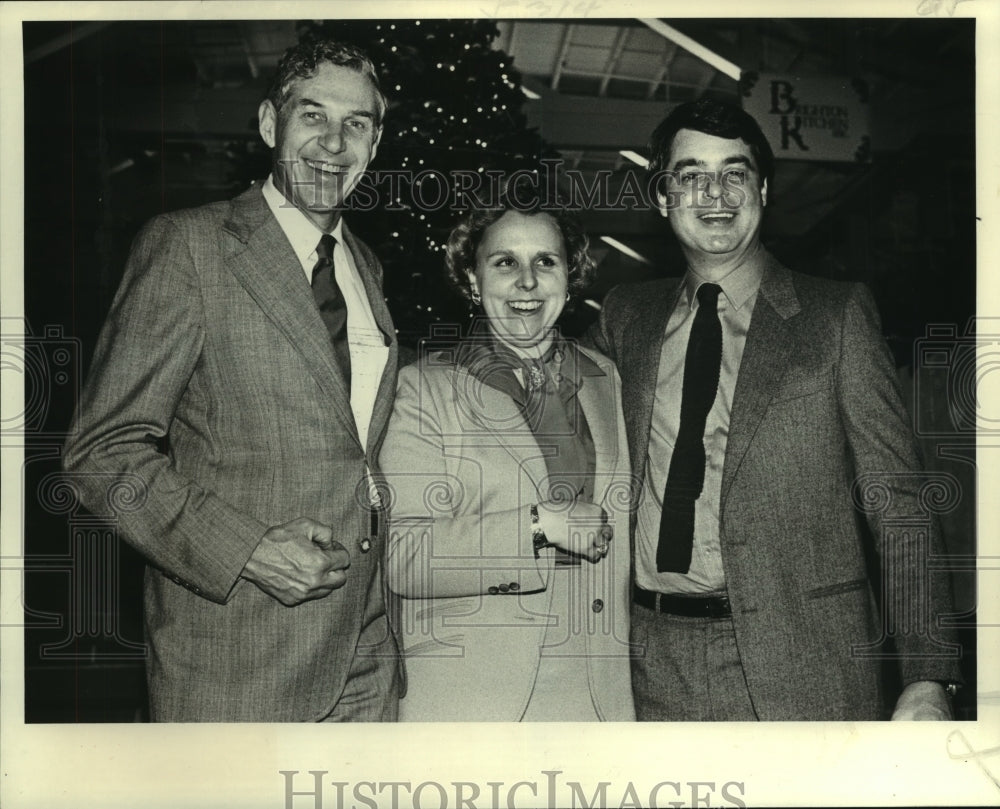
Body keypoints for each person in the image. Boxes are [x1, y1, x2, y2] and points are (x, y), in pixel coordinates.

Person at [587, 98, 962, 721]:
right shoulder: (627, 316)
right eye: (691, 174)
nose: (716, 192)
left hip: (806, 659)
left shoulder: (835, 317)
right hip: (650, 662)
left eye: (735, 172)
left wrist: (929, 674)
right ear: (662, 196)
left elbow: (899, 501)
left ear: (762, 189)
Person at [62, 39, 401, 721]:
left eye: (356, 124)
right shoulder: (188, 245)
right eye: (313, 116)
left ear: (375, 140)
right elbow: (101, 453)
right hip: (236, 654)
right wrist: (247, 549)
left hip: (364, 653)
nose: (334, 143)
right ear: (270, 124)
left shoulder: (366, 266)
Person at [378, 191, 635, 721]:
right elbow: (405, 556)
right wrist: (540, 525)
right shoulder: (425, 390)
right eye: (504, 263)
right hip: (473, 698)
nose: (526, 282)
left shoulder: (604, 380)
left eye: (546, 261)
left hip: (598, 699)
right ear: (473, 280)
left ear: (571, 275)